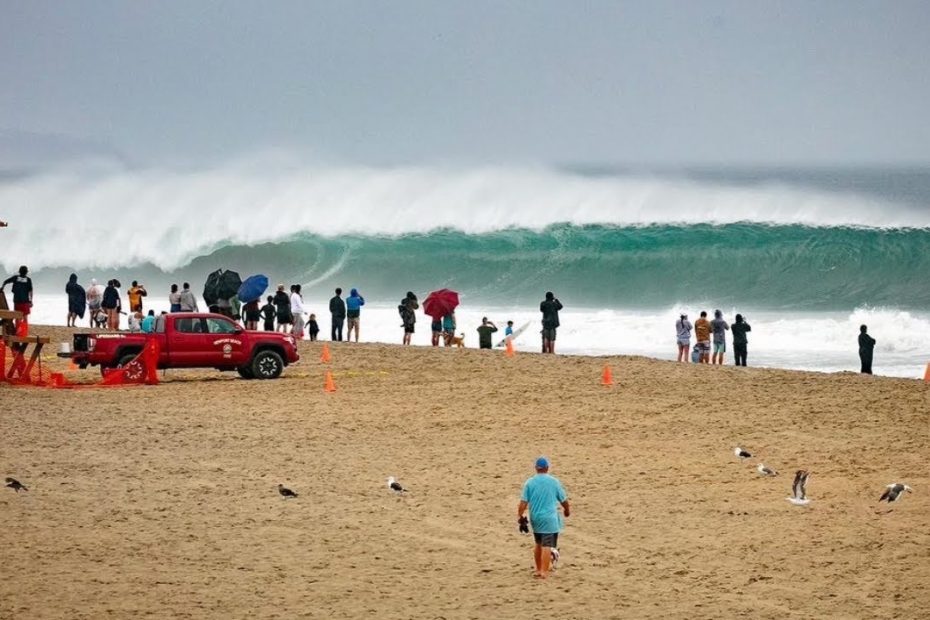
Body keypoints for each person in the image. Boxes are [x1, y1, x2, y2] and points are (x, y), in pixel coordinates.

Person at [517, 457, 570, 580]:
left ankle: (538, 569)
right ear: (547, 468)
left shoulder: (529, 483)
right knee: (547, 545)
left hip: (535, 518)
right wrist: (567, 510)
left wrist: (520, 516)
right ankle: (544, 572)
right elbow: (563, 500)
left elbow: (523, 503)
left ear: (536, 468)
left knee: (538, 543)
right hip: (549, 518)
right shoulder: (554, 482)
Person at [2, 265, 33, 332]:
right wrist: (31, 301)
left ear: (19, 272)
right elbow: (30, 291)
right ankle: (24, 332)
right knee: (25, 318)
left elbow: (6, 281)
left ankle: (18, 331)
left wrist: (2, 287)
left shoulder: (15, 278)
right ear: (26, 272)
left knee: (17, 317)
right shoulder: (28, 280)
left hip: (17, 302)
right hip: (25, 302)